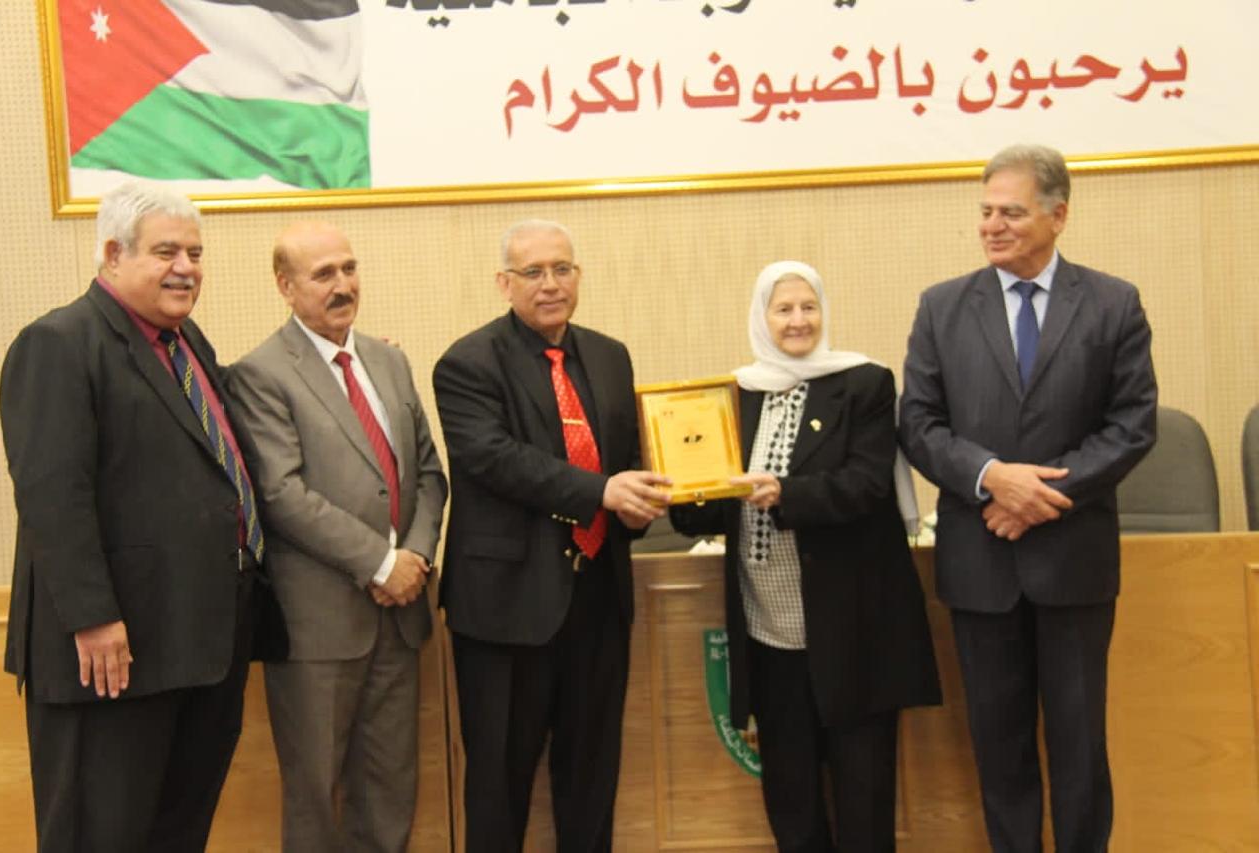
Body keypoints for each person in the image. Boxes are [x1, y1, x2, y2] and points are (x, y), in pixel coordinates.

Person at [0, 180, 279, 851]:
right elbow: (52, 496)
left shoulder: (185, 342)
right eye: (166, 252)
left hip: (198, 644)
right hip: (112, 656)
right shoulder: (59, 342)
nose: (186, 268)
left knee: (176, 835)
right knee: (101, 835)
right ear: (113, 254)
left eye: (195, 253)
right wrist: (93, 616)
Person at [899, 143, 1157, 853]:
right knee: (999, 746)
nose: (992, 226)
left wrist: (1036, 492)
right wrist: (992, 476)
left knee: (1080, 744)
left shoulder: (1112, 303)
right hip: (980, 564)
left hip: (1073, 562)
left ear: (1058, 215)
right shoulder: (942, 307)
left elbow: (1132, 424)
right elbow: (918, 423)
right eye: (985, 212)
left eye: (1010, 212)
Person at [670, 260, 941, 853]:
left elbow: (865, 484)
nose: (798, 321)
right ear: (761, 318)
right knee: (791, 799)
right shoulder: (734, 394)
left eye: (808, 307)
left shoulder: (863, 383)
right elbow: (715, 503)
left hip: (852, 626)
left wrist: (784, 494)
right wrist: (681, 490)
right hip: (769, 632)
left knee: (863, 797)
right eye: (784, 309)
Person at [432, 220, 671, 852]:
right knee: (499, 785)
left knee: (592, 776)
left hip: (598, 599)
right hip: (506, 608)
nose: (550, 285)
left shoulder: (611, 356)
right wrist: (602, 492)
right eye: (533, 272)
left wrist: (638, 505)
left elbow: (624, 456)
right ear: (503, 282)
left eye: (562, 269)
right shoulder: (467, 363)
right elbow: (495, 459)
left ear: (578, 276)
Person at [227, 222, 447, 851]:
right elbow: (281, 494)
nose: (342, 284)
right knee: (315, 797)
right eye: (323, 274)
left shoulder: (389, 360)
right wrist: (380, 563)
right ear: (285, 286)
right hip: (318, 630)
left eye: (349, 268)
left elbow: (428, 472)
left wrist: (414, 557)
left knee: (390, 791)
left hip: (400, 617)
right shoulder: (261, 374)